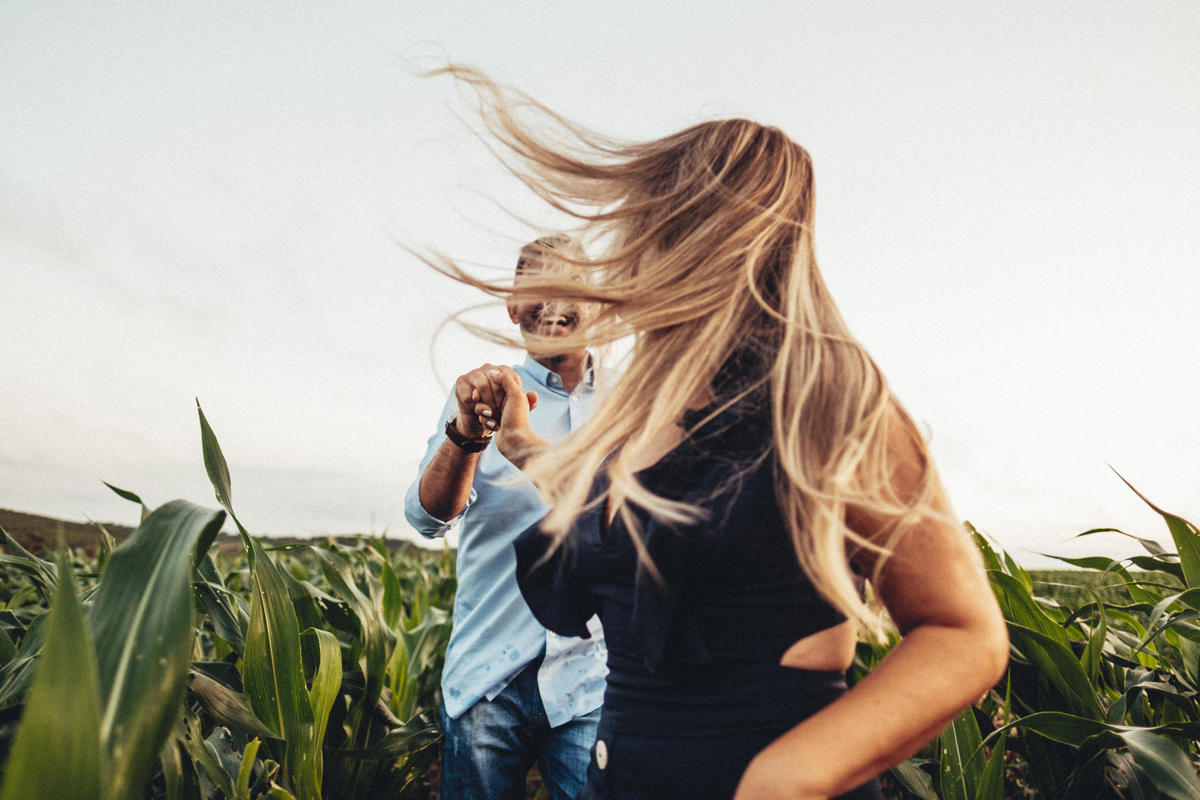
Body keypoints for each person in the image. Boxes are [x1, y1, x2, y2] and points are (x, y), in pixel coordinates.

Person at [424, 64, 1010, 800]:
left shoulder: (823, 392)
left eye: (655, 221)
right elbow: (596, 498)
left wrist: (785, 778)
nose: (635, 245)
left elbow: (964, 632)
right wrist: (513, 442)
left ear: (713, 235)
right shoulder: (644, 402)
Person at [404, 235, 607, 800]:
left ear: (596, 302)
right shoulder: (481, 398)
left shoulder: (633, 401)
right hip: (487, 677)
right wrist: (467, 436)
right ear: (513, 309)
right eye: (535, 289)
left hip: (592, 679)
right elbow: (426, 518)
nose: (553, 302)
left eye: (570, 285)